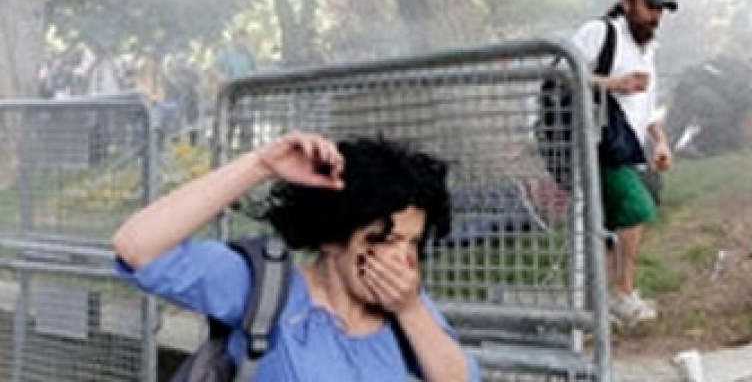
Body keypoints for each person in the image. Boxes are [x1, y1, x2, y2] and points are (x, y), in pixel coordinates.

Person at [112, 132, 478, 382]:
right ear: (334, 237)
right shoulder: (265, 290)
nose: (402, 261)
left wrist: (411, 310)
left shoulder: (409, 310)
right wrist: (261, 165)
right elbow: (138, 246)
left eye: (413, 244)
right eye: (386, 240)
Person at [571, 0, 676, 325]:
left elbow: (646, 109)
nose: (656, 16)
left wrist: (659, 141)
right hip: (592, 142)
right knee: (636, 206)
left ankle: (594, 300)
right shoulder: (601, 32)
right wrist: (615, 84)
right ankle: (622, 295)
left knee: (610, 221)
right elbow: (561, 75)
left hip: (626, 146)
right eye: (650, 6)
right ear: (627, 1)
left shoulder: (648, 50)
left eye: (660, 9)